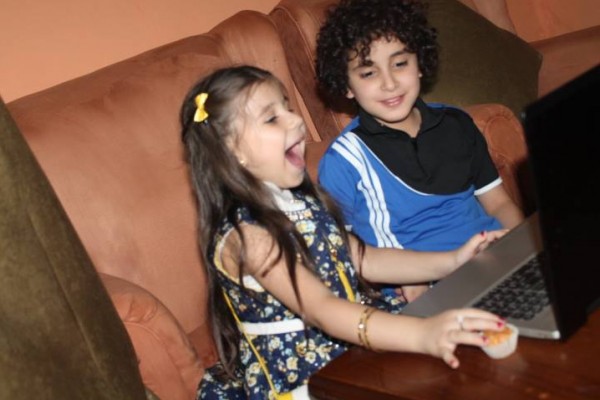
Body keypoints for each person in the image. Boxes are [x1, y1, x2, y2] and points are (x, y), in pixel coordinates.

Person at [180, 65, 507, 399]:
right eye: (272, 118)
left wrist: (452, 260)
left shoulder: (300, 203)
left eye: (288, 107)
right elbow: (321, 309)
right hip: (308, 376)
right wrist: (422, 334)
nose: (296, 121)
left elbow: (363, 259)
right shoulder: (249, 236)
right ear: (233, 151)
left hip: (350, 337)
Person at [315, 0, 524, 304]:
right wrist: (403, 279)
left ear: (420, 64)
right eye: (369, 73)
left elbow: (499, 203)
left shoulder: (457, 124)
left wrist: (523, 252)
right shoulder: (343, 163)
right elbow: (343, 256)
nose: (389, 83)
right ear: (346, 85)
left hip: (495, 265)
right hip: (425, 291)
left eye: (400, 64)